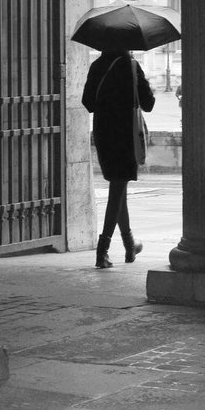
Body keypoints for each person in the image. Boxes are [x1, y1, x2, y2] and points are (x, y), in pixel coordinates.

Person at [82, 49, 155, 268]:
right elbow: (148, 104)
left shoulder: (97, 65)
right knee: (117, 190)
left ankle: (129, 244)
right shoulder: (131, 66)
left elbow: (88, 103)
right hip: (125, 134)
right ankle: (102, 251)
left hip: (103, 132)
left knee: (118, 186)